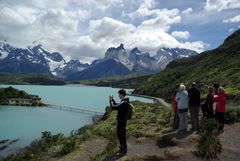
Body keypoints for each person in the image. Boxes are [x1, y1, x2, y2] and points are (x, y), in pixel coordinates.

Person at [109, 89, 129, 155]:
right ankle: (122, 148)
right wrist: (112, 100)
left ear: (121, 94)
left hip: (122, 122)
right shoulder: (124, 101)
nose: (118, 96)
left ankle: (124, 150)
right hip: (121, 121)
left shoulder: (124, 102)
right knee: (120, 135)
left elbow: (113, 107)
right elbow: (117, 105)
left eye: (119, 94)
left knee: (122, 136)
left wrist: (110, 100)